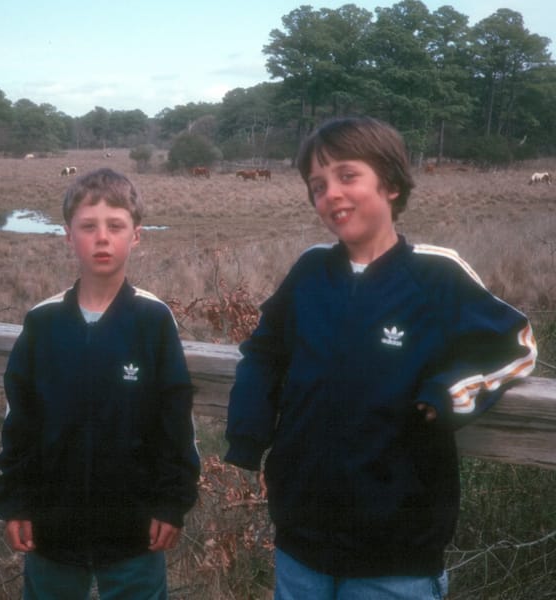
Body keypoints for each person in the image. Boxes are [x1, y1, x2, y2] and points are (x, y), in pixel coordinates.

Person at [224, 116, 538, 599]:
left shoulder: (436, 275)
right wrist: (247, 437)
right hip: (299, 539)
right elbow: (263, 352)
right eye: (317, 185)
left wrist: (450, 393)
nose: (330, 193)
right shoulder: (309, 271)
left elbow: (515, 346)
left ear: (390, 183)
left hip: (397, 553)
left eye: (347, 176)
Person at [0, 168, 200, 599]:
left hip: (135, 535)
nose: (102, 238)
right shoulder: (43, 322)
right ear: (69, 236)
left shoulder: (153, 321)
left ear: (135, 236)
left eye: (115, 226)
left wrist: (171, 503)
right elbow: (21, 421)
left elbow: (176, 421)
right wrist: (17, 502)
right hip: (52, 533)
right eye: (88, 226)